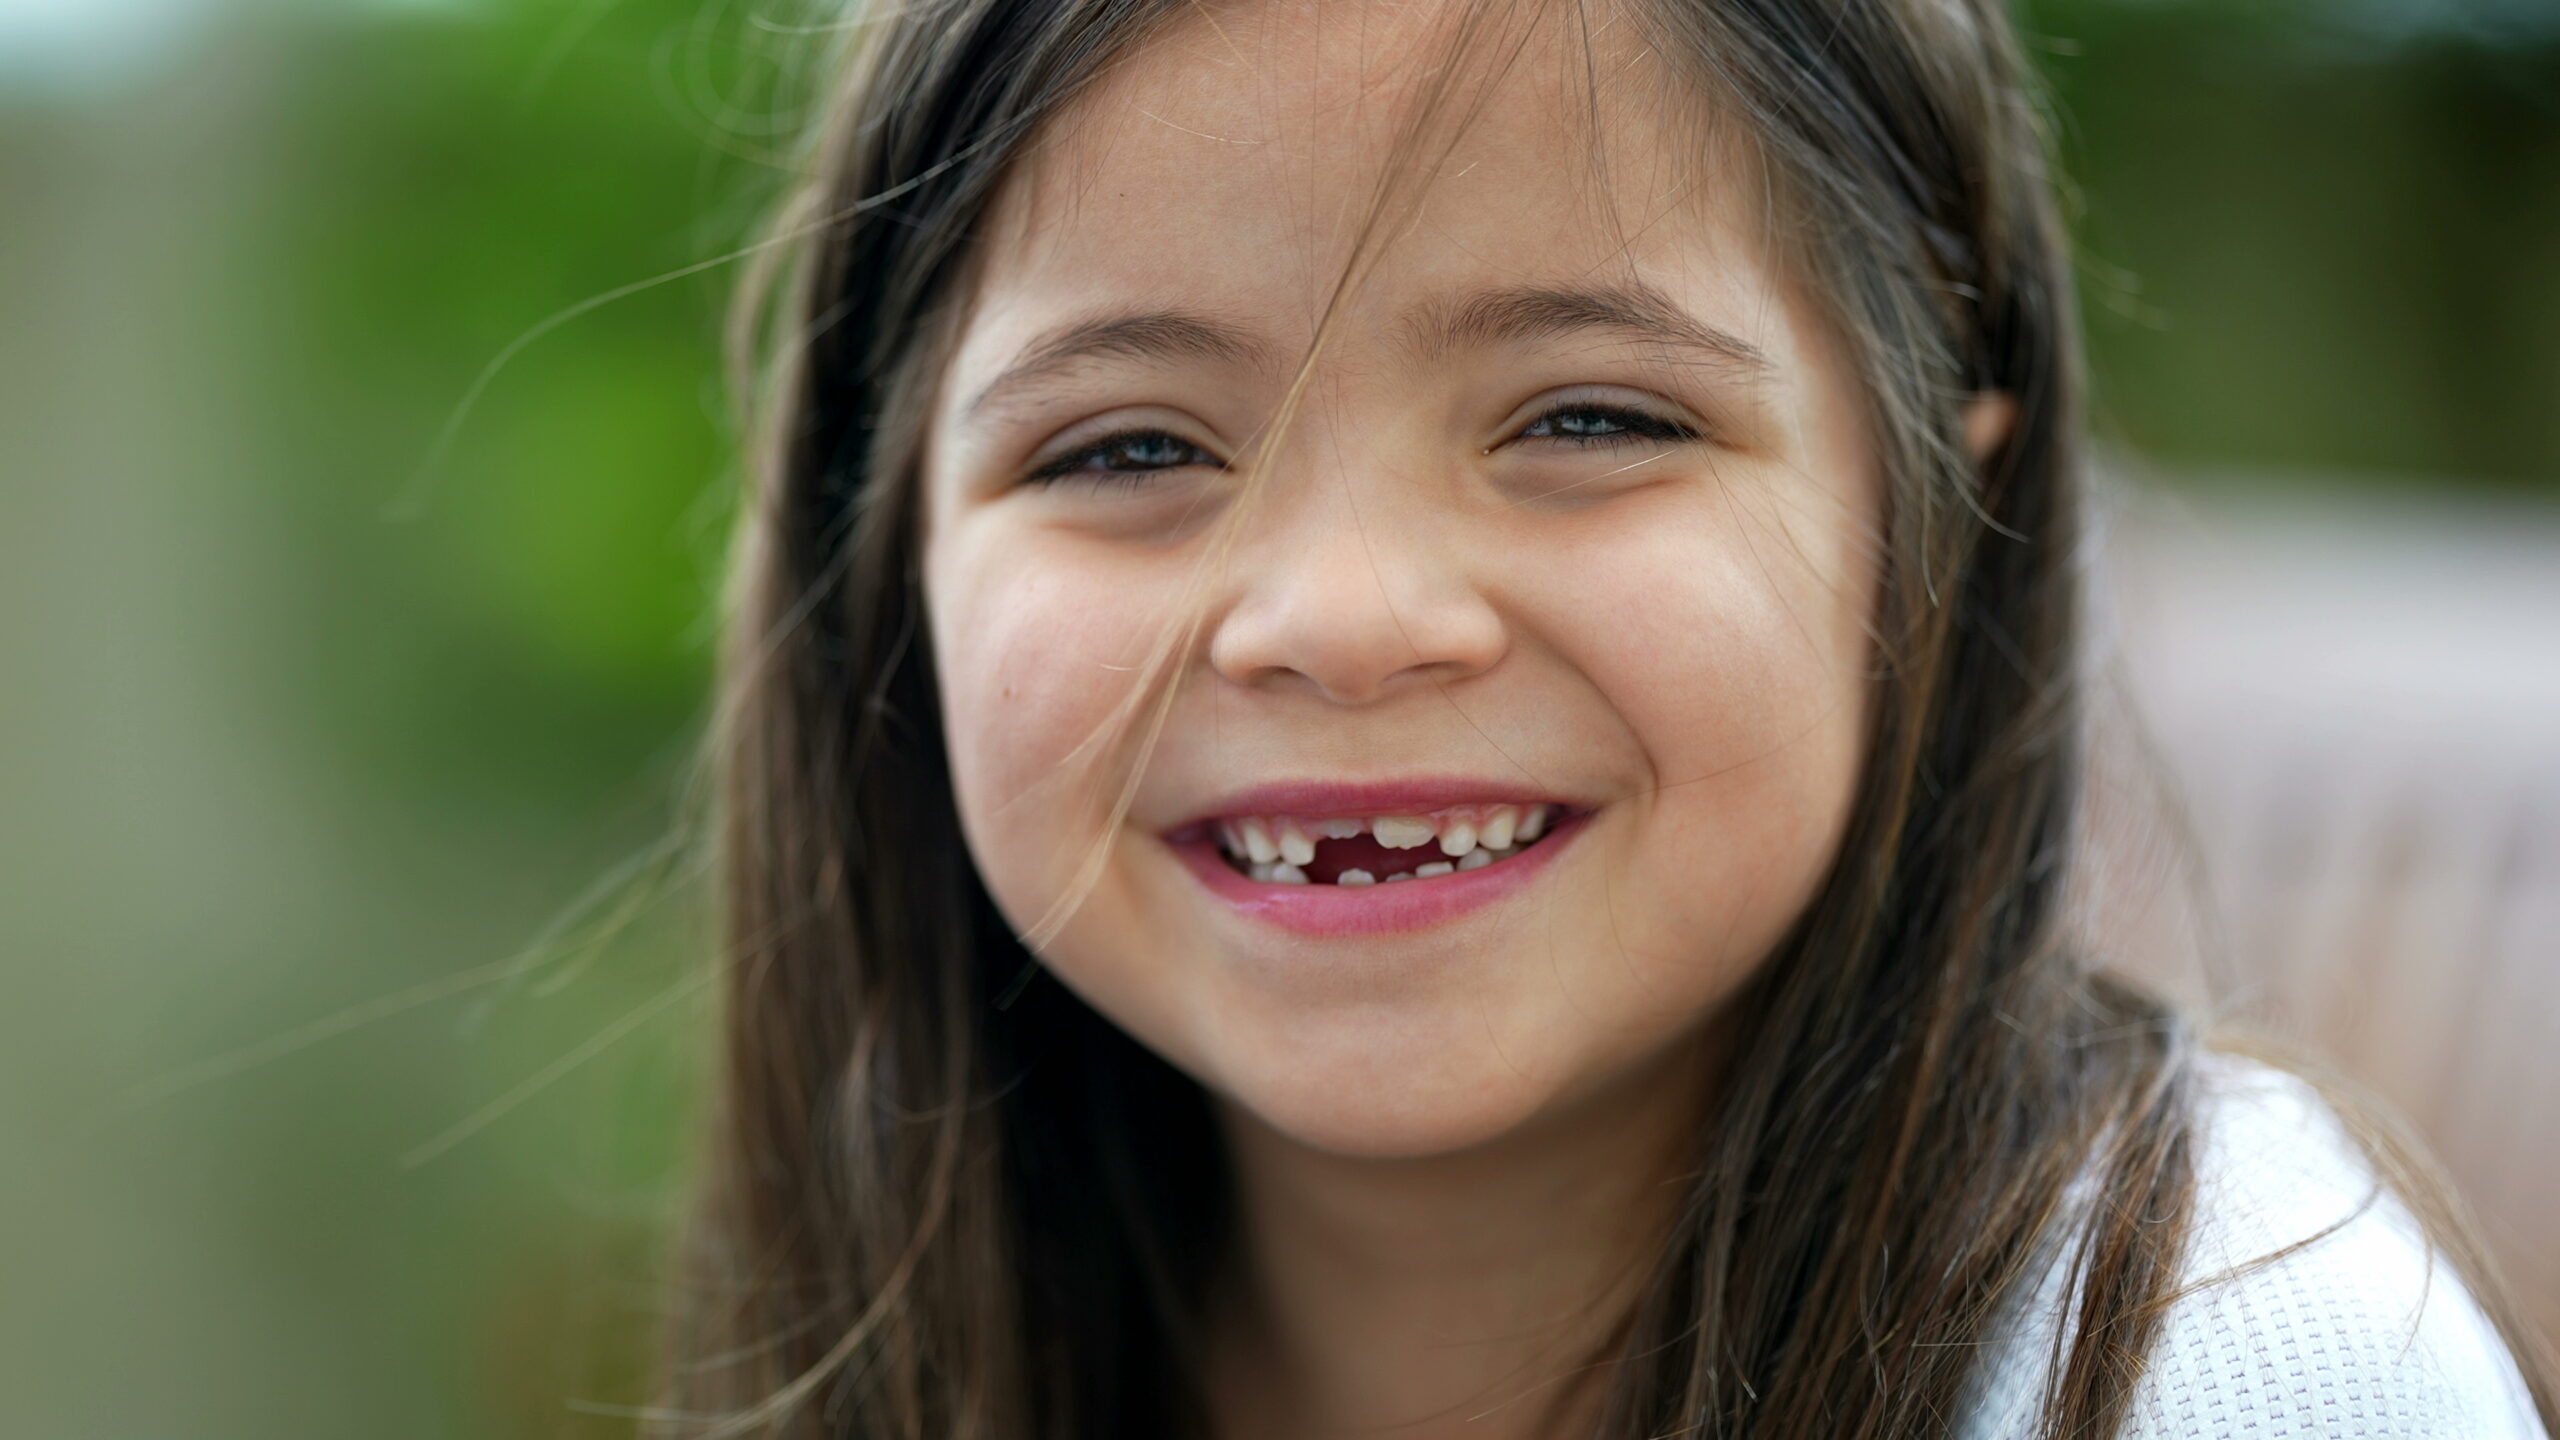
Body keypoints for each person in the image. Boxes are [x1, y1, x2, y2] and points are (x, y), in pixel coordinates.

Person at [654, 0, 2559, 1435]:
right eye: (1131, 444)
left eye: (1590, 419)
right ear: (886, 563)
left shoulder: (2227, 1370)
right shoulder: (951, 1334)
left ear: (1935, 520)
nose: (1345, 622)